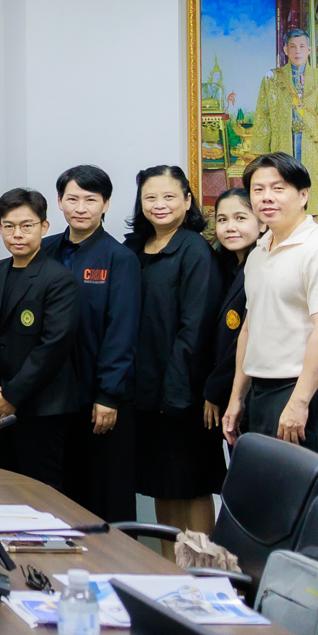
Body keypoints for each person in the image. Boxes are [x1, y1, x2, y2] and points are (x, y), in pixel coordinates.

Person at [223, 154, 318, 460]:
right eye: (258, 189)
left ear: (303, 194)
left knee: (304, 488)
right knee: (261, 488)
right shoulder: (259, 252)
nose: (266, 197)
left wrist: (299, 402)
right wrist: (237, 396)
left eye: (278, 188)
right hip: (259, 392)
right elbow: (250, 328)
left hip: (303, 393)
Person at [126, 165, 220, 536]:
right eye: (150, 197)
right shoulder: (133, 249)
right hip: (144, 391)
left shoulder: (195, 250)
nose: (159, 204)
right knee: (162, 485)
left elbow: (195, 328)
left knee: (191, 485)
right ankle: (169, 564)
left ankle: (202, 567)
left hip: (182, 393)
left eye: (169, 196)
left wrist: (175, 393)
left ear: (187, 200)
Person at [49, 165, 141, 525]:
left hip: (100, 398)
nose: (80, 208)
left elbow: (122, 330)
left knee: (106, 495)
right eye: (72, 199)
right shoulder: (45, 250)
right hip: (54, 397)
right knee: (61, 493)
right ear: (59, 202)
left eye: (90, 200)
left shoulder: (119, 258)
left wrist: (108, 394)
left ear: (106, 204)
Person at [0, 188, 80, 493]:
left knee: (42, 493)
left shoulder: (58, 279)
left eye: (27, 225)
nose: (17, 234)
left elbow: (53, 346)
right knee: (8, 487)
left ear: (44, 227)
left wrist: (12, 396)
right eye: (9, 226)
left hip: (41, 408)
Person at [200, 187, 261, 493]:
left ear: (261, 221)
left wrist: (214, 390)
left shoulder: (261, 267)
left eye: (240, 217)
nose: (229, 227)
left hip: (253, 392)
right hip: (231, 394)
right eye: (222, 219)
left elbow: (244, 341)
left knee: (257, 485)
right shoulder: (224, 268)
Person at [251, 27, 318, 222]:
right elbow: (263, 115)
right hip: (282, 143)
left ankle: (312, 227)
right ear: (285, 50)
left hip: (313, 144)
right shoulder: (272, 78)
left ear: (309, 50)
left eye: (302, 46)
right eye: (292, 47)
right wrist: (261, 152)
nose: (297, 51)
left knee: (311, 185)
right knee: (282, 184)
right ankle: (283, 226)